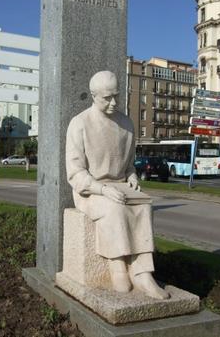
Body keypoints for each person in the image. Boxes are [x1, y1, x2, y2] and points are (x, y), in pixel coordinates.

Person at [65, 71, 169, 300]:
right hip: (90, 191)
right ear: (93, 96)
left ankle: (142, 272)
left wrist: (132, 177)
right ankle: (118, 265)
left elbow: (129, 164)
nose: (113, 103)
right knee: (115, 208)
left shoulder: (126, 124)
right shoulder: (79, 124)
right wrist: (102, 189)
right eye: (106, 98)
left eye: (116, 97)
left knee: (144, 206)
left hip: (121, 186)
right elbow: (74, 172)